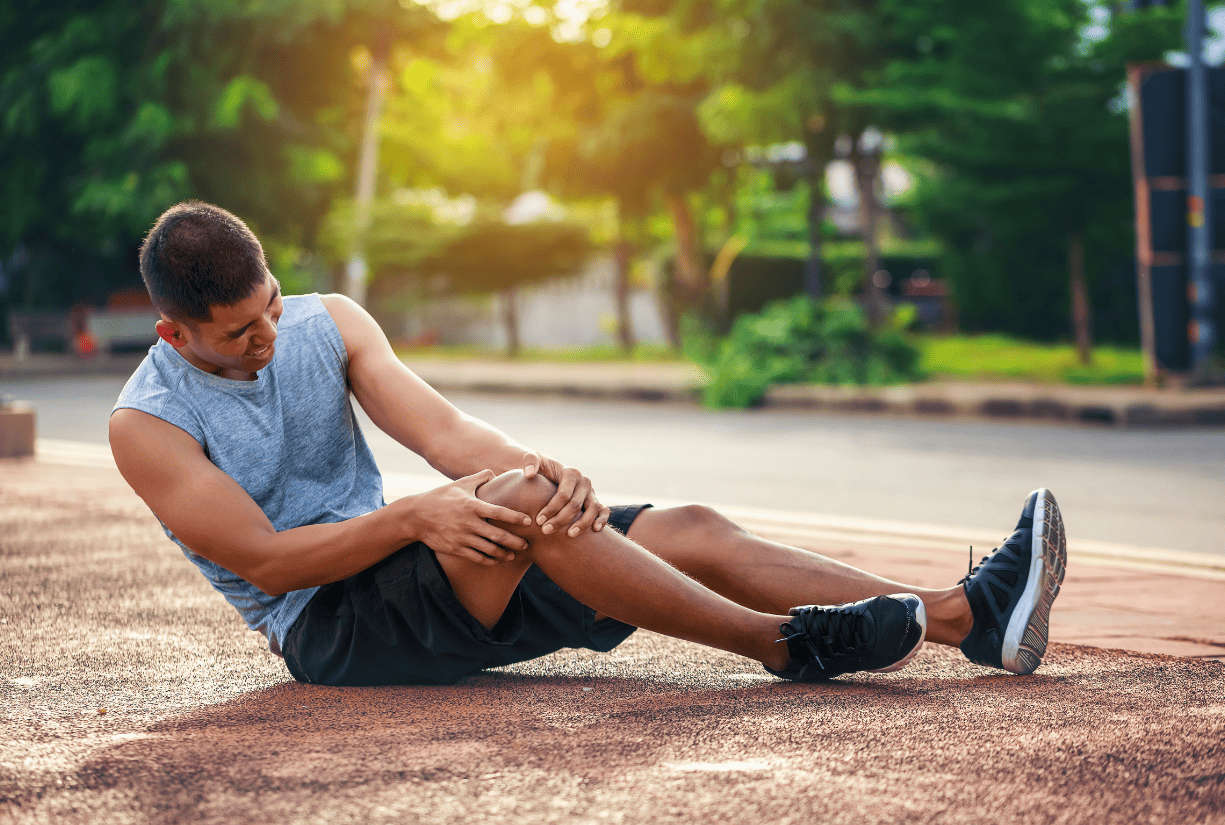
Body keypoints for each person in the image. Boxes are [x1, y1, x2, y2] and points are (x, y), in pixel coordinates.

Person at [110, 201, 1067, 687]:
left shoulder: (332, 322)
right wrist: (416, 517)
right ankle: (782, 646)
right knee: (517, 504)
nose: (269, 336)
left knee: (680, 522)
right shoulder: (146, 423)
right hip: (334, 628)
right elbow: (270, 565)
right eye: (240, 332)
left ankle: (964, 619)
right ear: (176, 333)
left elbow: (445, 433)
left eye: (271, 306)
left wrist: (544, 470)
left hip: (437, 567)